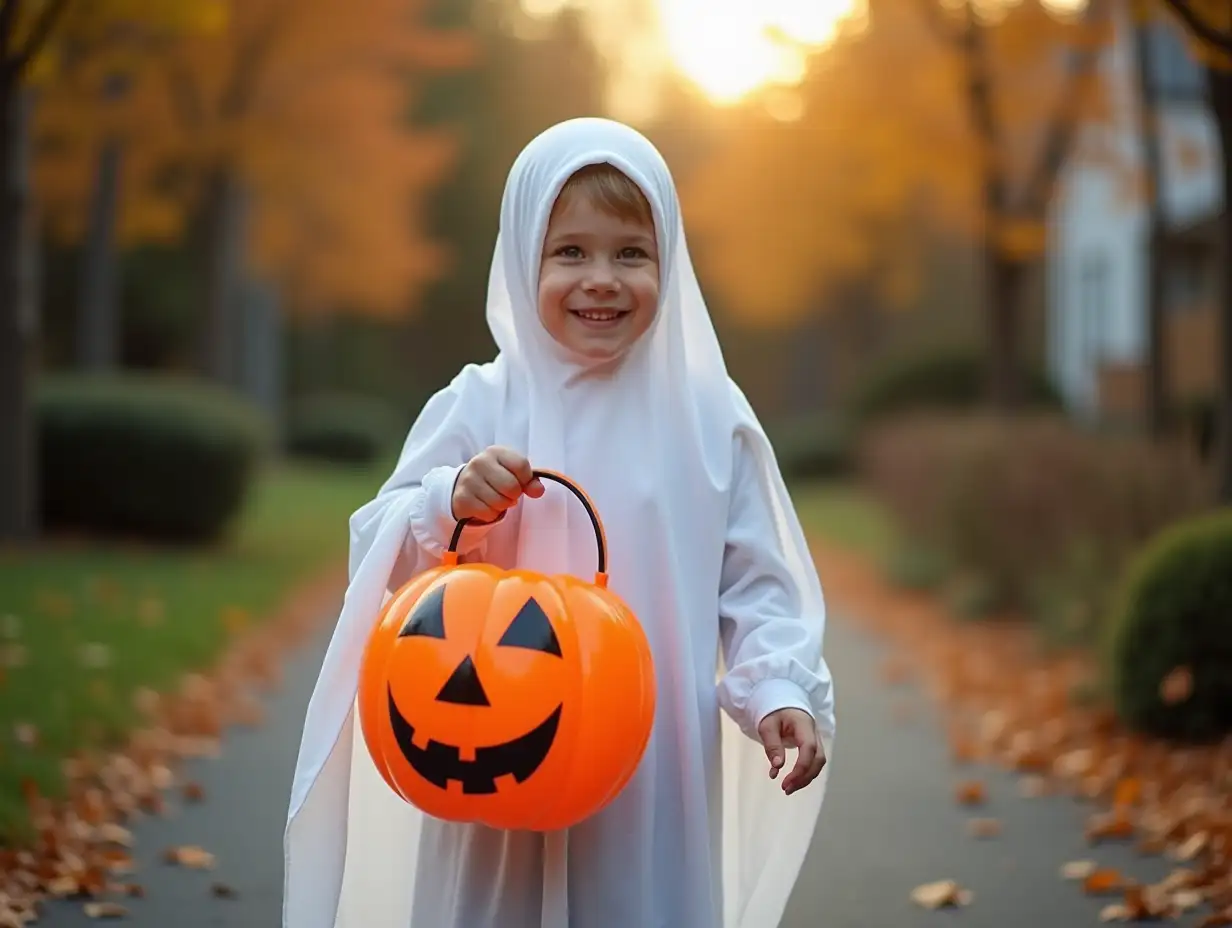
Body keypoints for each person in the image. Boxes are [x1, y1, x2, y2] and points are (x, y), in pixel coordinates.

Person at [283, 117, 837, 928]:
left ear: (669, 264)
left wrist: (778, 686)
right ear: (521, 259)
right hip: (492, 747)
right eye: (570, 252)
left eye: (631, 253)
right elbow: (381, 546)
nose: (601, 279)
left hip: (649, 771)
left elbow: (758, 580)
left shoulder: (710, 418)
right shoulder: (480, 402)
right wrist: (449, 499)